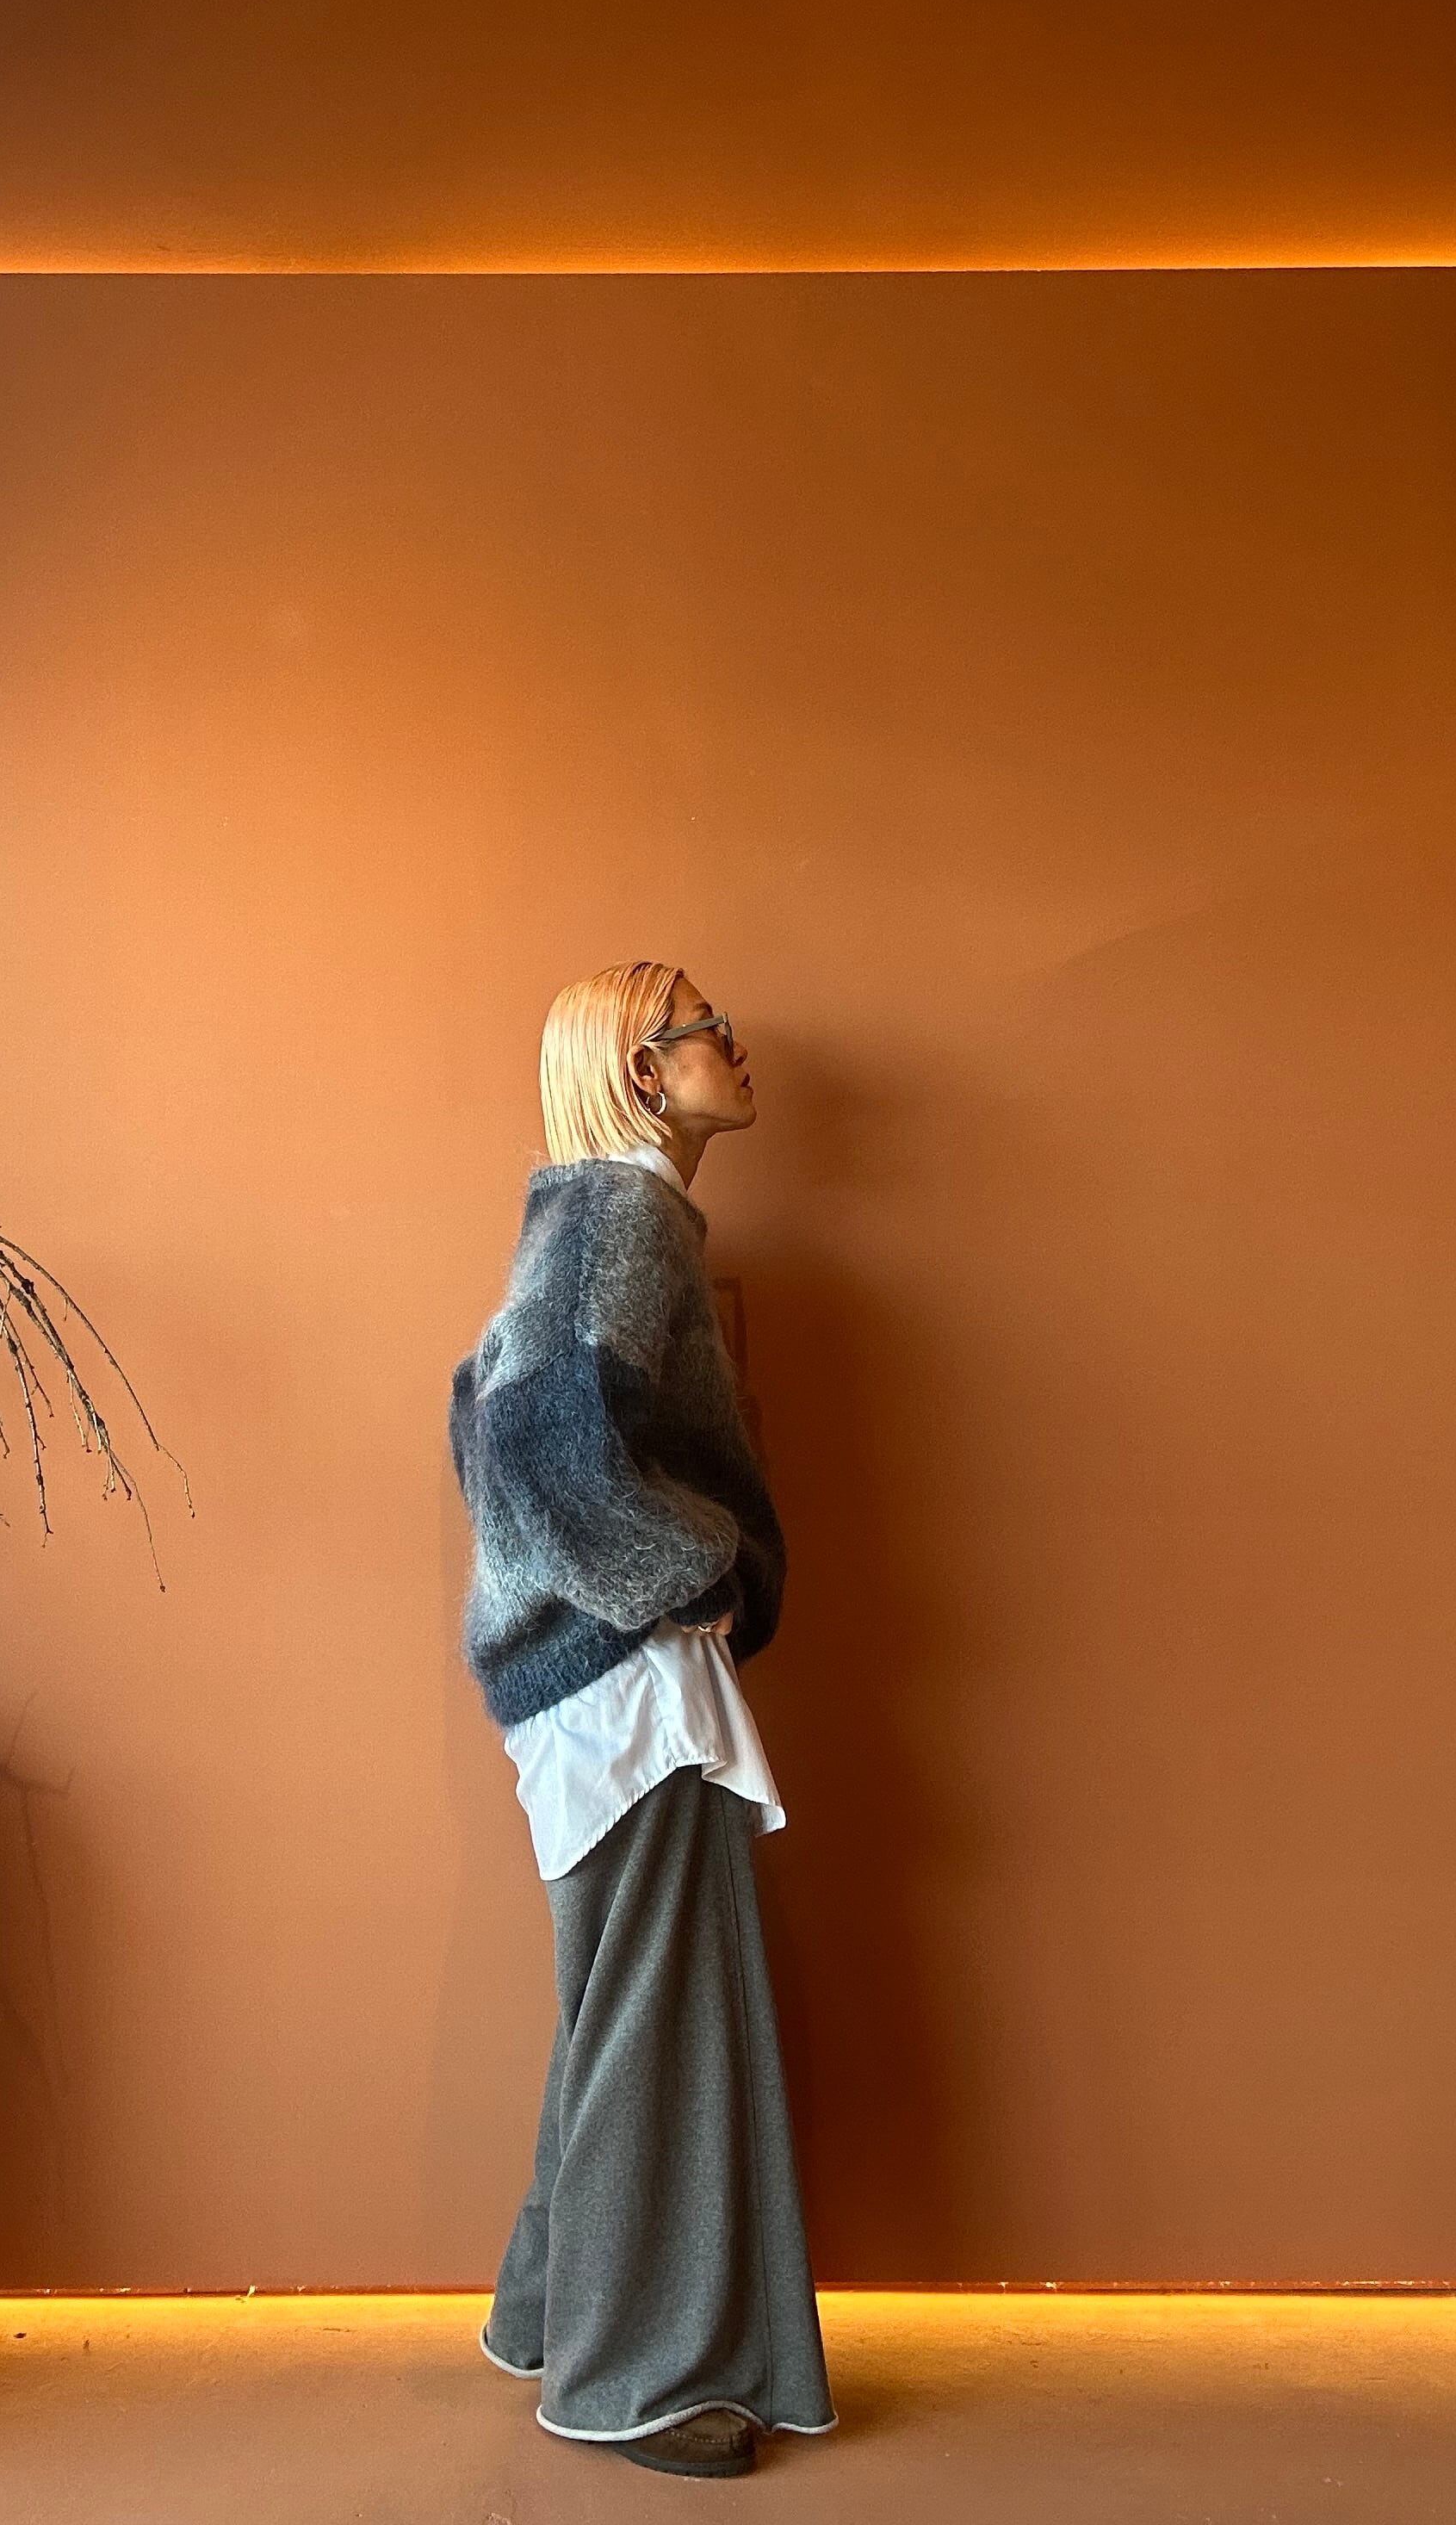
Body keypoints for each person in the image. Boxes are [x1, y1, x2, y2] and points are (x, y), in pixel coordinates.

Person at [449, 959, 835, 2481]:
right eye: (702, 1027)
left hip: (599, 1682)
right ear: (640, 1070)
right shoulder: (617, 1215)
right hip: (625, 1687)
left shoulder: (604, 1218)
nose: (735, 1043)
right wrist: (695, 1572)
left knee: (624, 2007)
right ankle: (645, 2382)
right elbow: (531, 1435)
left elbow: (493, 1405)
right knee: (663, 2022)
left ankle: (550, 2317)